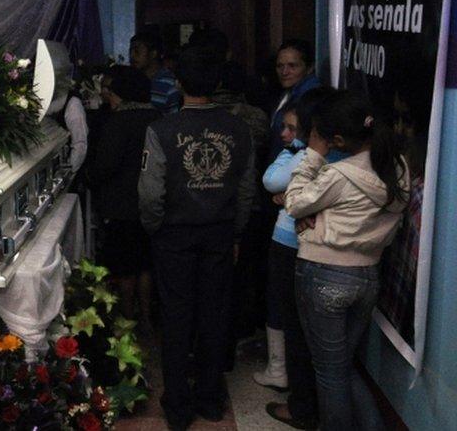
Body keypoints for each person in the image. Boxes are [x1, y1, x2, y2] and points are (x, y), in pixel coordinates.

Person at [138, 47, 256, 431]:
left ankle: (177, 404)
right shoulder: (240, 129)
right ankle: (209, 399)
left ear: (178, 83)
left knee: (175, 317)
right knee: (214, 314)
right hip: (220, 233)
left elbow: (150, 193)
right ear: (218, 83)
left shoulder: (161, 129)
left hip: (174, 234)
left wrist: (156, 226)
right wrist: (236, 231)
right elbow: (245, 189)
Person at [286, 91, 409, 431]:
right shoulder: (397, 166)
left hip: (323, 274)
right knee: (340, 367)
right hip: (367, 276)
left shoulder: (338, 175)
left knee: (329, 372)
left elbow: (295, 202)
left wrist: (312, 156)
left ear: (338, 139)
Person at [260, 87, 341, 429]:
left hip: (293, 244)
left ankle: (302, 407)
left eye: (294, 128)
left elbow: (272, 181)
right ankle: (317, 407)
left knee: (296, 325)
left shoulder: (309, 155)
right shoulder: (347, 155)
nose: (287, 134)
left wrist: (293, 153)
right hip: (331, 253)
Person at [87, 67, 160, 321]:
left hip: (122, 206)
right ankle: (148, 317)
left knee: (126, 267)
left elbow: (105, 165)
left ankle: (128, 318)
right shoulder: (158, 117)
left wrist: (90, 180)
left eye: (111, 91)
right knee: (146, 264)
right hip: (153, 205)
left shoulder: (118, 122)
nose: (108, 96)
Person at [269, 40, 320, 160]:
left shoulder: (311, 98)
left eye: (292, 66)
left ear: (309, 68)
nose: (284, 72)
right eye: (280, 66)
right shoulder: (287, 92)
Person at [129, 32, 182, 114]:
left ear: (153, 54)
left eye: (137, 51)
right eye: (130, 51)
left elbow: (174, 119)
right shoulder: (130, 80)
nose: (132, 55)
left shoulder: (170, 84)